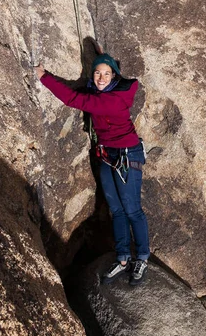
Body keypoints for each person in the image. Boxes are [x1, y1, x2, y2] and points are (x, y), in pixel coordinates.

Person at [34, 53, 150, 286]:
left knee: (131, 209)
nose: (101, 77)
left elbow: (73, 99)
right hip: (107, 155)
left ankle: (143, 257)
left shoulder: (114, 98)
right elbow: (82, 94)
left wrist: (44, 76)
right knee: (115, 209)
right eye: (97, 72)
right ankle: (123, 257)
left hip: (127, 155)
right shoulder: (97, 92)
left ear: (115, 76)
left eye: (107, 73)